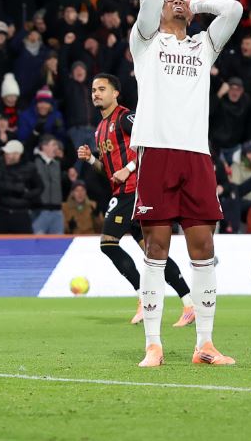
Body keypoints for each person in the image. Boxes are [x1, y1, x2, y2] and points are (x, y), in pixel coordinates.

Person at [129, 0, 243, 366]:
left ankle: (205, 346)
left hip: (196, 154)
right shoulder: (144, 42)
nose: (176, 1)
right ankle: (153, 345)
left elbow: (234, 9)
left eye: (183, 0)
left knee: (203, 248)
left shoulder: (203, 46)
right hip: (157, 151)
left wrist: (194, 5)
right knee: (156, 248)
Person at [77, 73, 194, 327]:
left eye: (102, 89)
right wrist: (89, 160)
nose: (96, 93)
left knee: (108, 244)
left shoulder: (125, 117)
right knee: (153, 253)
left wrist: (129, 169)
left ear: (115, 93)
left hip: (135, 191)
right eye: (93, 90)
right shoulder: (99, 130)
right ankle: (188, 303)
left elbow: (151, 147)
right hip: (123, 192)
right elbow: (109, 172)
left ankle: (144, 298)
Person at [0, 139, 43, 233]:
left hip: (21, 213)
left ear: (17, 155)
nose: (5, 155)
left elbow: (40, 187)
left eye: (8, 153)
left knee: (24, 245)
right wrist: (17, 188)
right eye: (5, 153)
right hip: (0, 212)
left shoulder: (30, 168)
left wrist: (27, 195)